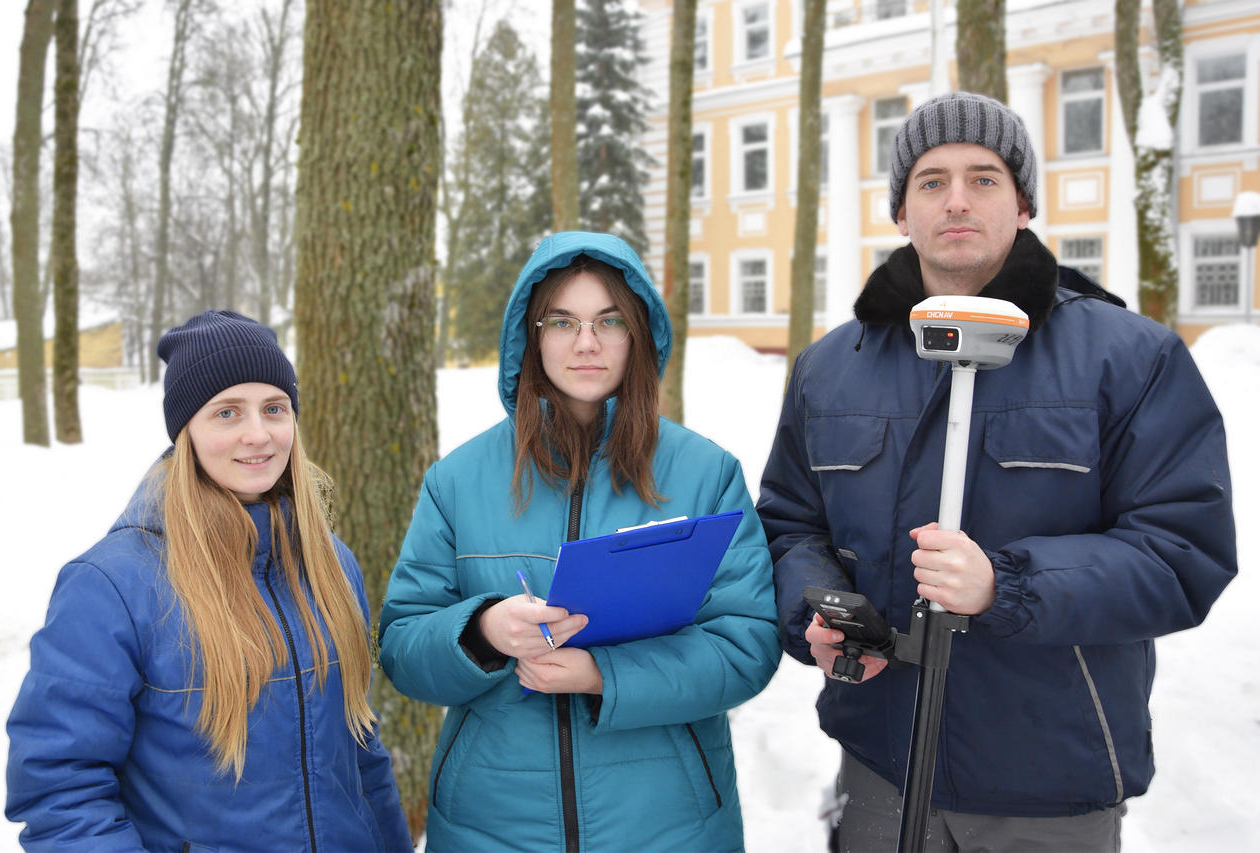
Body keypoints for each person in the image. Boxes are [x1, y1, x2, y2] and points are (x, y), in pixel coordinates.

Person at [757, 92, 1237, 851]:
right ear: (900, 210)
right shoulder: (829, 368)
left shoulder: (1130, 357)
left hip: (1046, 788)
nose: (956, 199)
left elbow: (1182, 552)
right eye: (931, 180)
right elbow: (789, 522)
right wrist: (817, 611)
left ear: (1022, 205)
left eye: (984, 178)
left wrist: (1006, 584)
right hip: (879, 769)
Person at [378, 231, 780, 852]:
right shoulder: (456, 481)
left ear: (638, 334)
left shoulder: (706, 473)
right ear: (531, 336)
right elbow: (402, 646)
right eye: (563, 321)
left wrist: (604, 675)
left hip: (668, 826)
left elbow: (746, 644)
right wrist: (480, 632)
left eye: (609, 321)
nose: (586, 343)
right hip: (492, 826)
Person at [6, 310, 413, 852]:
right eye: (226, 413)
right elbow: (60, 790)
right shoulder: (110, 586)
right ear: (186, 432)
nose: (258, 434)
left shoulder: (330, 564)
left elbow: (360, 752)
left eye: (275, 409)